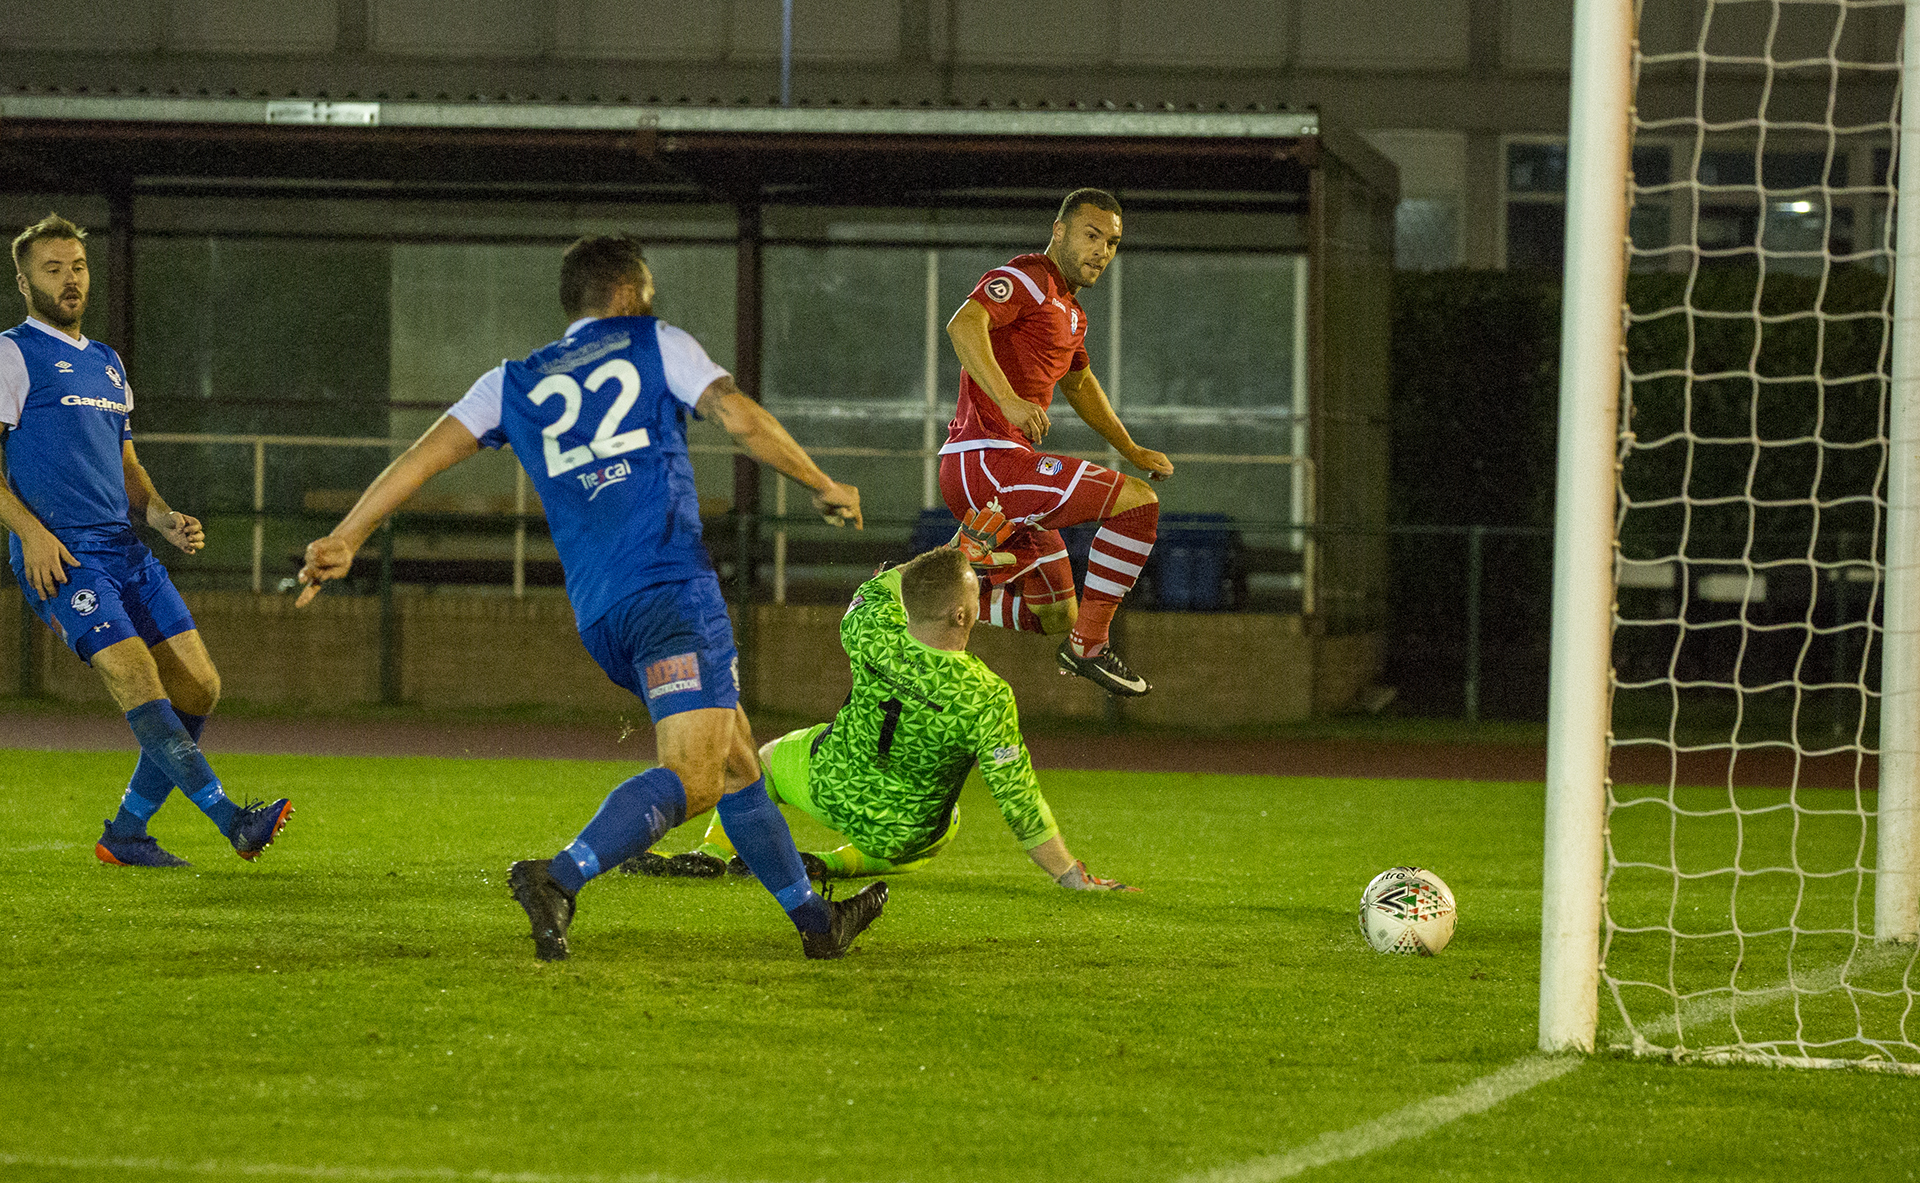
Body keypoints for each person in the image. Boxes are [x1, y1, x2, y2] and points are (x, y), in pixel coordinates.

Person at [296, 234, 887, 961]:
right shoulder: (655, 342)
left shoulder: (510, 381)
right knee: (696, 778)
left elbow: (422, 456)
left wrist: (347, 536)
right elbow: (736, 413)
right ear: (630, 293)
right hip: (672, 591)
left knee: (736, 763)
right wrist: (822, 483)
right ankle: (560, 875)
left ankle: (815, 923)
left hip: (604, 613)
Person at [0, 214, 292, 868]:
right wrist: (31, 534)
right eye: (53, 268)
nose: (70, 279)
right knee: (136, 675)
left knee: (200, 689)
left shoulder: (106, 363)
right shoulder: (12, 353)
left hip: (125, 551)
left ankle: (127, 831)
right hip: (65, 557)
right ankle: (233, 821)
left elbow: (125, 464)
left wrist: (160, 514)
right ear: (24, 280)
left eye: (76, 266)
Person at [638, 546, 1136, 892]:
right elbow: (1019, 799)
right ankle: (832, 863)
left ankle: (711, 852)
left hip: (827, 784)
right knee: (949, 825)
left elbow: (878, 587)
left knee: (763, 759)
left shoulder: (869, 629)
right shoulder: (986, 696)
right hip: (900, 828)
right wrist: (1068, 872)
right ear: (962, 617)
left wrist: (954, 550)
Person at [940, 187, 1174, 698]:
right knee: (1138, 504)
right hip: (984, 461)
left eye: (1111, 243)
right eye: (1091, 236)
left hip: (1002, 469)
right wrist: (1007, 401)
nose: (1101, 251)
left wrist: (1130, 448)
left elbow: (1079, 384)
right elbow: (964, 324)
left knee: (1053, 613)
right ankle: (1088, 648)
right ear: (1059, 230)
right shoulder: (1029, 276)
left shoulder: (1071, 312)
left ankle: (919, 597)